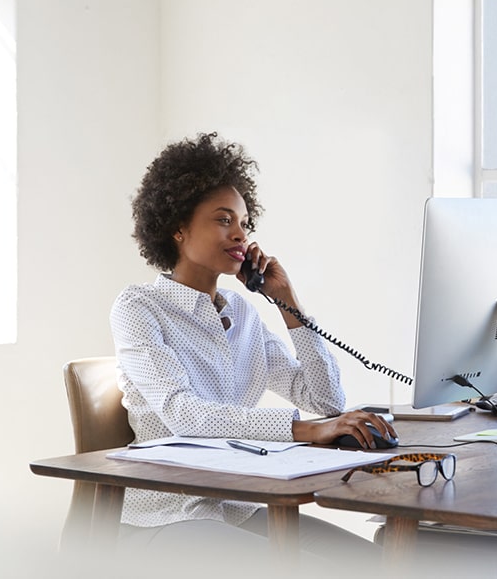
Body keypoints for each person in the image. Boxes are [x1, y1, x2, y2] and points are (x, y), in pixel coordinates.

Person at [109, 131, 395, 565]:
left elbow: (325, 400)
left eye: (244, 223)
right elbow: (184, 414)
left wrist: (289, 303)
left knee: (376, 565)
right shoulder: (138, 307)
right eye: (224, 220)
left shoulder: (241, 313)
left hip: (235, 509)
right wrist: (303, 430)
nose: (240, 234)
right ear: (179, 228)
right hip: (165, 518)